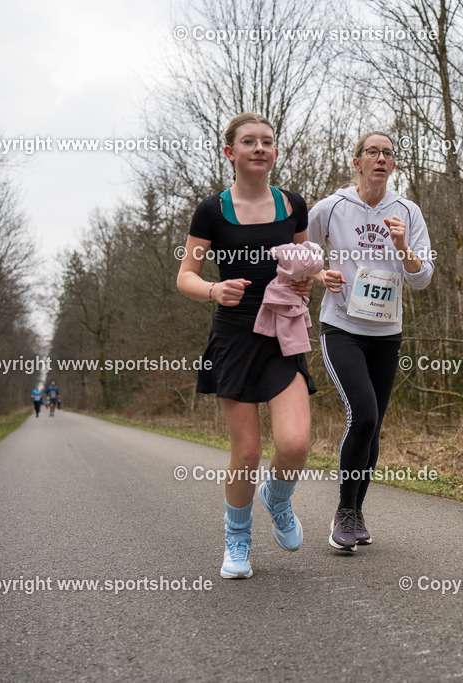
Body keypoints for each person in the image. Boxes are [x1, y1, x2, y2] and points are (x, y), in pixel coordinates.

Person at [176, 113, 315, 579]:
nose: (259, 148)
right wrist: (214, 291)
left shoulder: (294, 206)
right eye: (249, 142)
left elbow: (303, 264)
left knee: (295, 444)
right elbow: (185, 276)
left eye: (267, 142)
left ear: (276, 153)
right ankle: (237, 540)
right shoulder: (211, 211)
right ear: (229, 151)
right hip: (234, 335)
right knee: (248, 451)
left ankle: (276, 496)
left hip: (282, 331)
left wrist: (314, 280)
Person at [309, 131, 434, 551]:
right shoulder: (331, 208)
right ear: (357, 162)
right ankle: (343, 512)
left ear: (393, 165)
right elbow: (299, 254)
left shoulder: (407, 211)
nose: (381, 158)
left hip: (387, 331)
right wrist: (316, 275)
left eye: (388, 153)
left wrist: (402, 247)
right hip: (342, 326)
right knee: (362, 414)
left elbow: (422, 277)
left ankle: (356, 512)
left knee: (374, 425)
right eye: (372, 152)